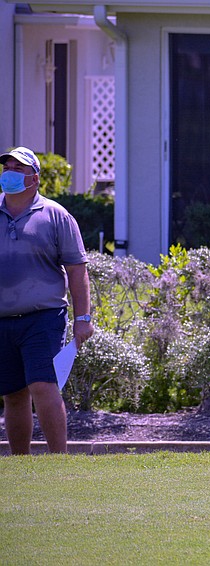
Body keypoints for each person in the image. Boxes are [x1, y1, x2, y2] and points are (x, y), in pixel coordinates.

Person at [1, 146, 95, 454]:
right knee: (13, 394)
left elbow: (77, 270)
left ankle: (58, 460)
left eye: (18, 168)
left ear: (34, 178)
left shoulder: (56, 215)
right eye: (7, 167)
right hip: (3, 319)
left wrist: (83, 319)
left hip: (44, 317)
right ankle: (21, 462)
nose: (9, 173)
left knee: (43, 386)